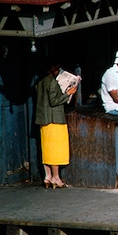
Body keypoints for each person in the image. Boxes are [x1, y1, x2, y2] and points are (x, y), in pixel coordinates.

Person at [35, 60, 76, 188]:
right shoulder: (52, 82)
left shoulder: (40, 82)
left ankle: (47, 177)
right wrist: (68, 94)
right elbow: (54, 101)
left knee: (46, 148)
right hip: (55, 118)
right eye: (57, 69)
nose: (58, 71)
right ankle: (56, 178)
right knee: (56, 150)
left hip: (44, 119)